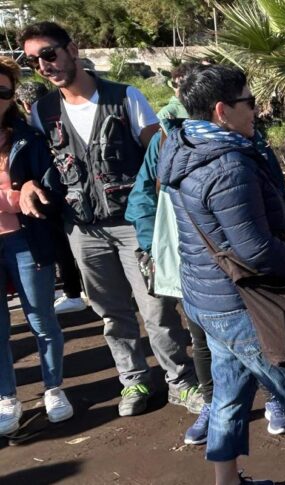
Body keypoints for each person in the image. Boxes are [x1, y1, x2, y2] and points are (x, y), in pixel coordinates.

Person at [157, 65, 285, 485]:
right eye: (250, 102)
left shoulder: (184, 144)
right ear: (222, 110)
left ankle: (226, 480)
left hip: (206, 297)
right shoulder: (227, 166)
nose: (257, 110)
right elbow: (255, 250)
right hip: (242, 303)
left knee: (229, 393)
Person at [18, 21, 201, 417]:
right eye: (34, 61)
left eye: (49, 54)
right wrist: (28, 182)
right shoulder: (42, 112)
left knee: (157, 308)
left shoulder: (125, 97)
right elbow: (35, 160)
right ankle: (133, 379)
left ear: (72, 49)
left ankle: (180, 381)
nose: (44, 65)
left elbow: (159, 154)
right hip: (82, 229)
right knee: (110, 312)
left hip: (133, 224)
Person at [0, 56, 74, 435]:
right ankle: (6, 397)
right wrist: (18, 193)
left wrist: (34, 186)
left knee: (42, 320)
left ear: (12, 95)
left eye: (2, 90)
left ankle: (53, 388)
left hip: (27, 241)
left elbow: (52, 190)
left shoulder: (28, 137)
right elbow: (21, 195)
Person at [14, 79, 87, 315]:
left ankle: (73, 293)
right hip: (73, 190)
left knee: (60, 245)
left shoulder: (29, 129)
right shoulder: (58, 117)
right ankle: (79, 290)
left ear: (26, 104)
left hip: (50, 195)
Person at [156, 63, 194, 133]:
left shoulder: (207, 108)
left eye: (183, 84)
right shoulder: (166, 113)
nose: (178, 88)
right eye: (175, 84)